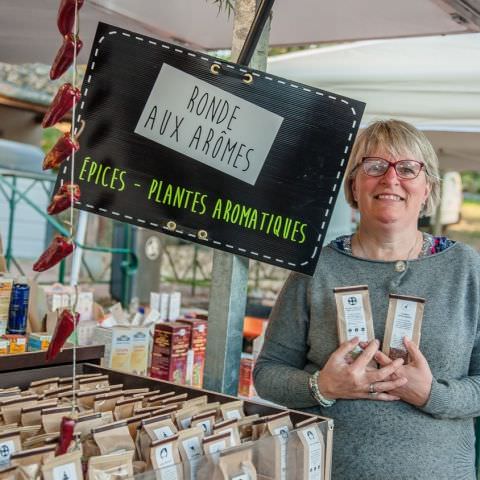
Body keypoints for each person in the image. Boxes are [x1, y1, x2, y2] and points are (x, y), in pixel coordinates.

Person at [253, 119, 480, 479]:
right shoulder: (316, 269)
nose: (391, 179)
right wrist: (322, 386)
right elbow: (267, 374)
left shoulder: (466, 269)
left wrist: (431, 394)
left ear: (427, 189)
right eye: (374, 166)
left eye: (407, 169)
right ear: (354, 186)